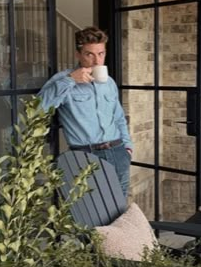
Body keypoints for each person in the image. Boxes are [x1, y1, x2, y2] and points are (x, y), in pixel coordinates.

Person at [39, 26, 133, 198]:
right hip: (85, 156)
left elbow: (119, 118)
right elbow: (37, 109)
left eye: (101, 53)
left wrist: (127, 148)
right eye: (90, 54)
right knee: (91, 212)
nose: (97, 61)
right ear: (78, 55)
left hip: (118, 152)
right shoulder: (63, 79)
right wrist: (70, 81)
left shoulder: (109, 82)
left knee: (121, 211)